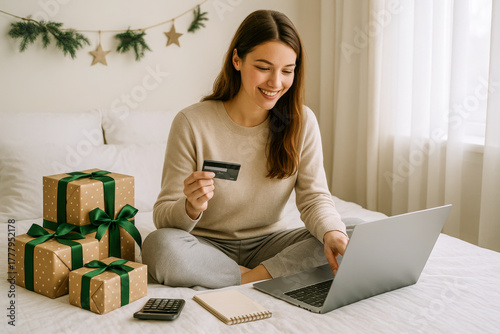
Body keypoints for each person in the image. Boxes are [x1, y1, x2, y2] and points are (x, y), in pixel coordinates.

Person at [142, 9, 349, 289]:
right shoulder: (191, 122)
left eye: (287, 71)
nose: (275, 83)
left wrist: (332, 232)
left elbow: (314, 198)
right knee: (158, 245)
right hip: (205, 246)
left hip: (270, 244)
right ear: (237, 60)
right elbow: (163, 216)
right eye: (263, 68)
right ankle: (258, 275)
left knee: (353, 231)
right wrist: (190, 207)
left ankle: (246, 277)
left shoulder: (302, 121)